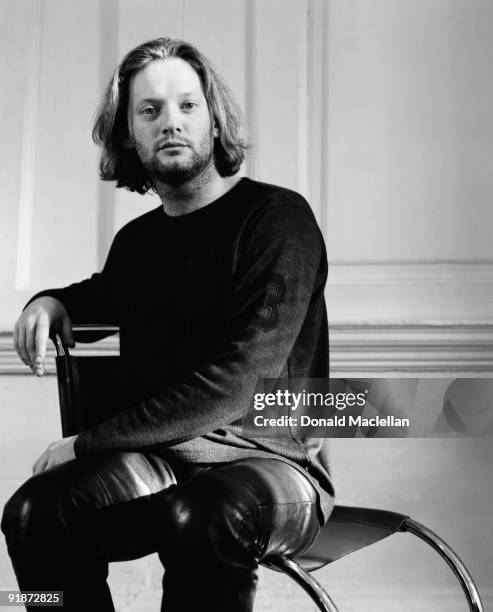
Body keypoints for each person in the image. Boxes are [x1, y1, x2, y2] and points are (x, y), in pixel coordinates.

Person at [2, 37, 334, 611]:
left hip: (271, 464)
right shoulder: (139, 242)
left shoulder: (278, 220)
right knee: (33, 514)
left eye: (187, 105)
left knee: (200, 516)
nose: (170, 123)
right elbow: (101, 297)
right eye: (149, 110)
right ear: (129, 133)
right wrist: (51, 301)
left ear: (214, 118)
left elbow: (239, 383)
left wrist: (85, 444)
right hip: (166, 462)